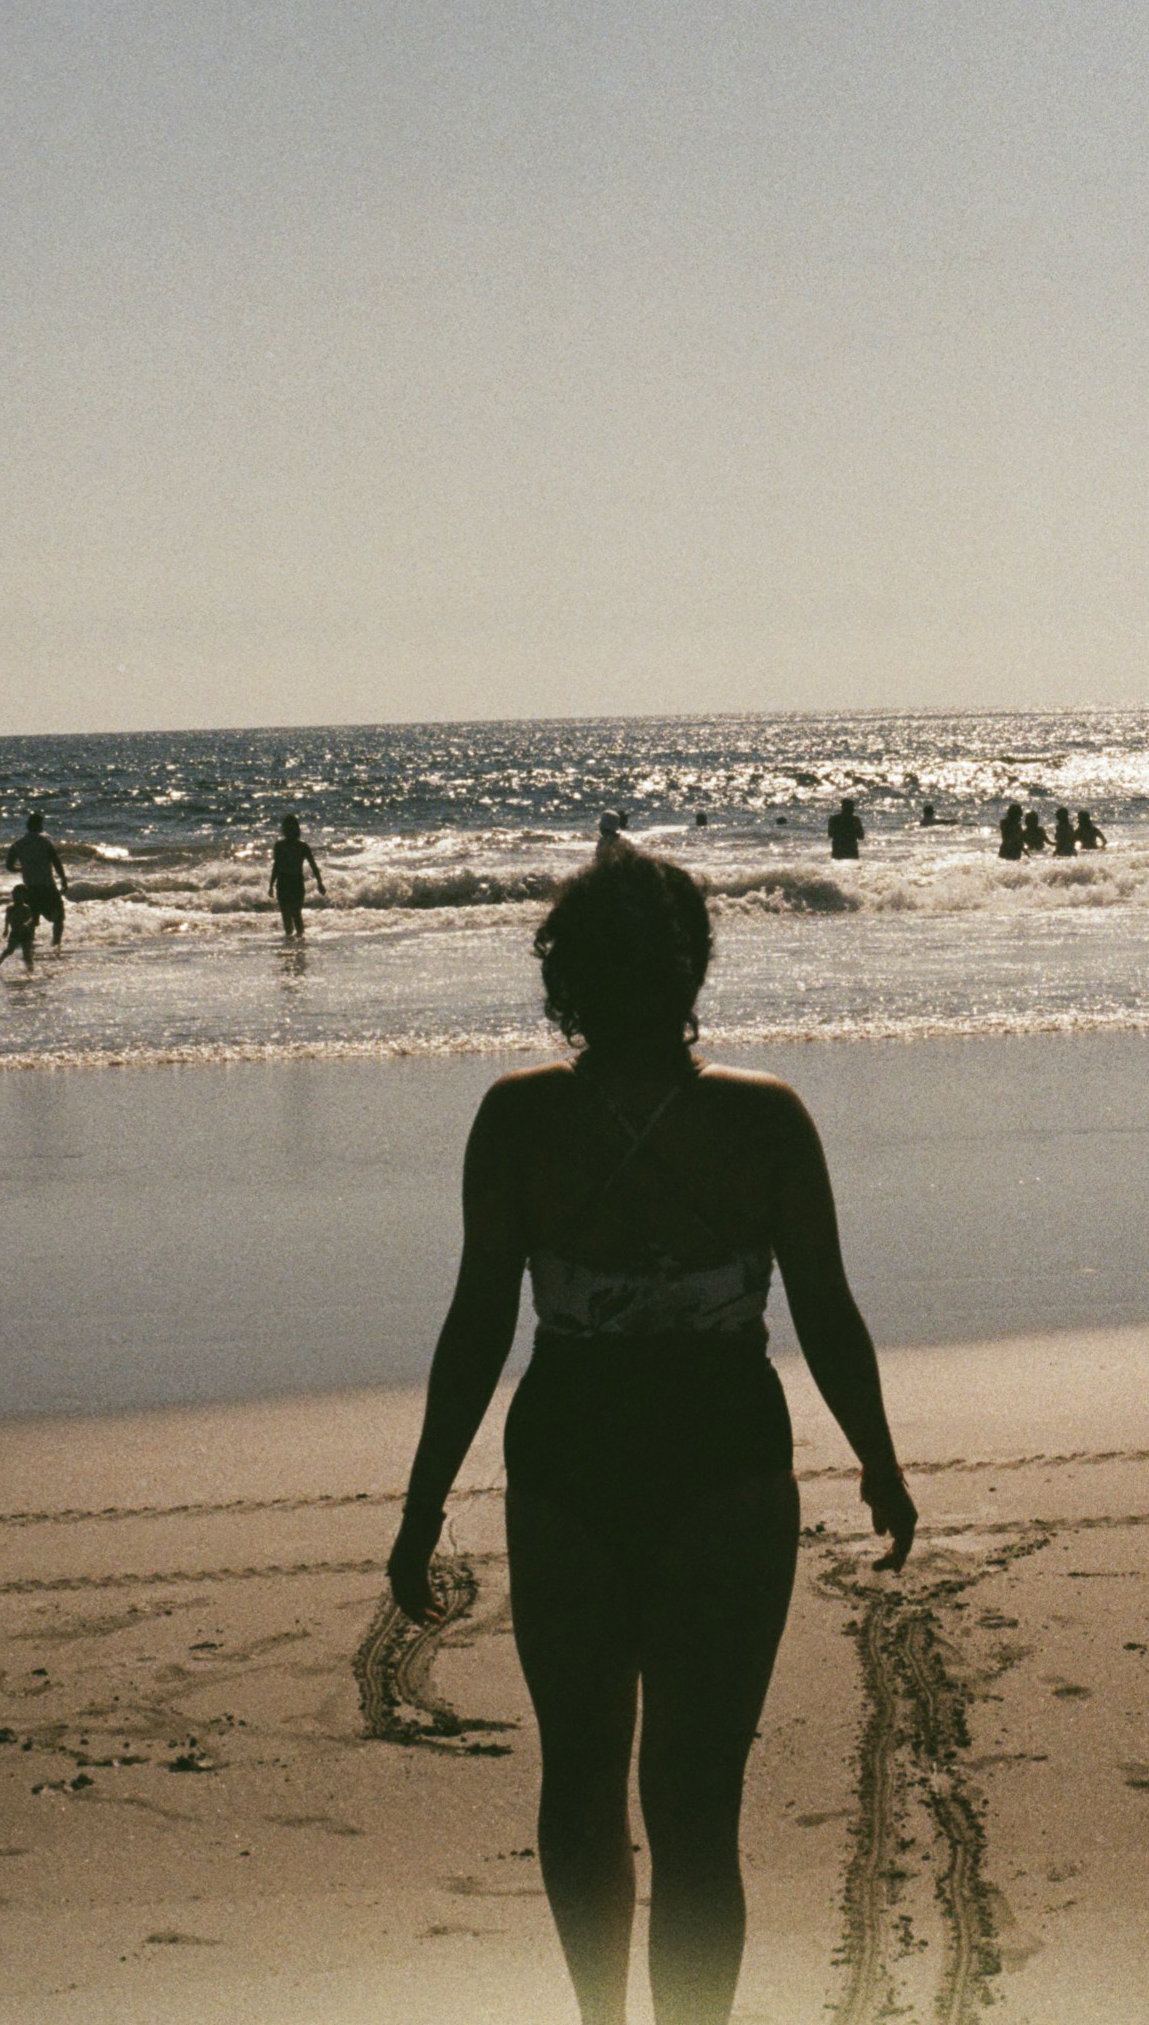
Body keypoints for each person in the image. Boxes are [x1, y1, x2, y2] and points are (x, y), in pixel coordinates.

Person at [387, 851, 915, 2025]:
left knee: (578, 1778)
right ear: (693, 970)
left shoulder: (521, 1118)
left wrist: (423, 1507)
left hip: (568, 1460)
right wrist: (878, 1463)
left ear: (565, 975)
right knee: (697, 1809)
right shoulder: (763, 1119)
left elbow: (477, 1325)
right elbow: (826, 1312)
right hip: (725, 1461)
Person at [6, 812, 69, 947]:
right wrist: (63, 879)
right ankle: (56, 944)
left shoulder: (18, 844)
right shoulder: (45, 842)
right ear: (40, 826)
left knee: (32, 920)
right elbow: (56, 862)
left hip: (30, 887)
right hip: (47, 886)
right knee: (58, 917)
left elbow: (9, 866)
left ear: (27, 826)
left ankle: (29, 945)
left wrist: (22, 869)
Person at [269, 813, 326, 935]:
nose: (289, 830)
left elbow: (313, 865)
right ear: (284, 829)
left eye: (292, 828)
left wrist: (320, 883)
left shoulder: (302, 846)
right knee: (286, 916)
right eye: (287, 827)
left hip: (296, 882)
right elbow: (276, 866)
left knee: (296, 914)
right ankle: (290, 942)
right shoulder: (279, 846)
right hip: (283, 882)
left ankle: (300, 942)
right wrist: (271, 885)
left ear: (296, 829)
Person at [0, 885, 39, 972]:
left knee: (26, 953)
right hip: (14, 933)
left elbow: (31, 919)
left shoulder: (26, 908)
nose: (16, 898)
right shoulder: (10, 908)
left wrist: (26, 924)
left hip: (26, 934)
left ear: (24, 896)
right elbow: (7, 919)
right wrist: (6, 929)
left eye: (19, 896)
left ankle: (30, 969)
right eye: (14, 895)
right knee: (9, 950)